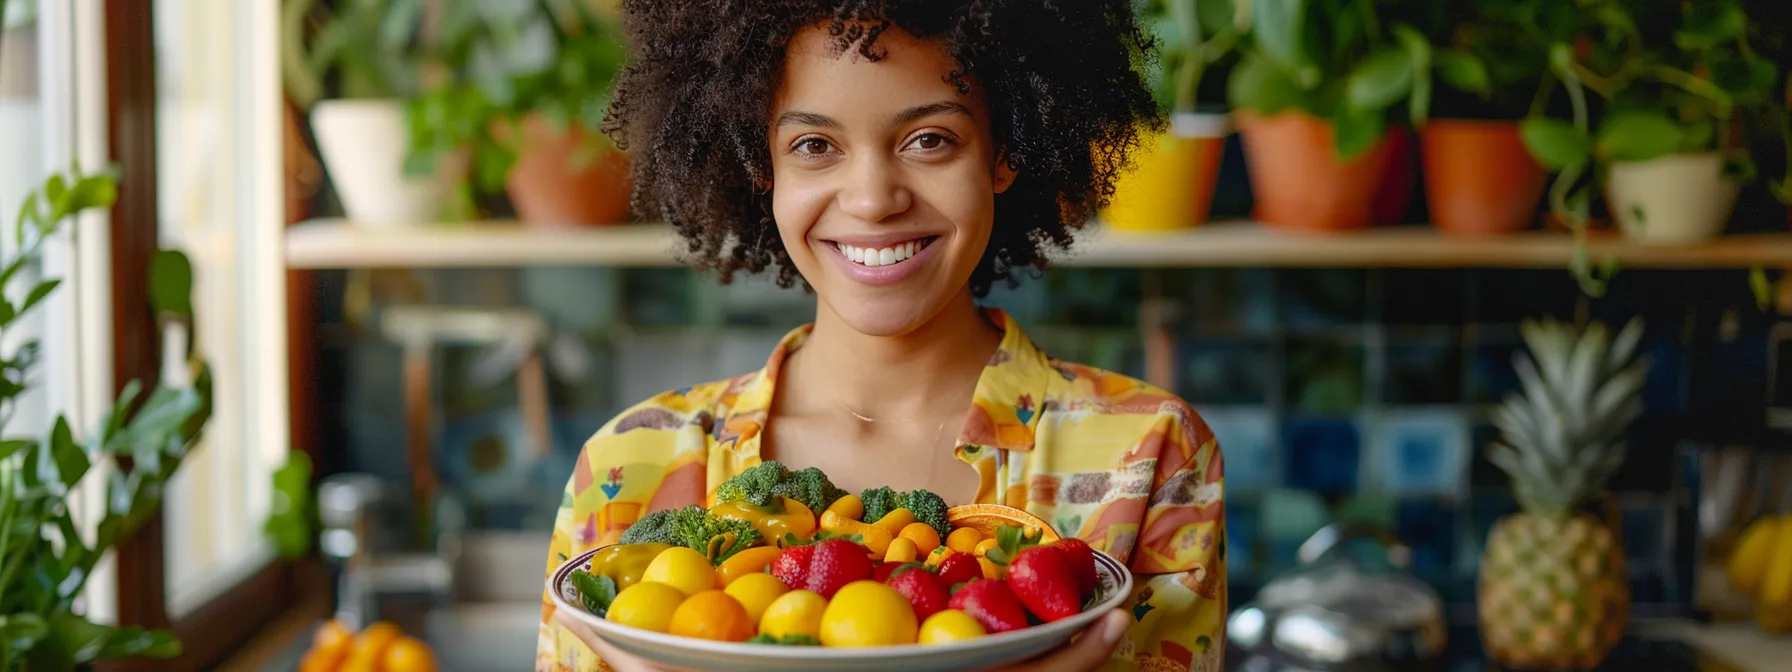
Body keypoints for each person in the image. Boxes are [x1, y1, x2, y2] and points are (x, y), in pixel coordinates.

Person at [538, 1, 1226, 670]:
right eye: (815, 145)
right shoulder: (630, 467)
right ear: (762, 166)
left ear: (1004, 151)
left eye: (929, 139)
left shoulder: (1149, 461)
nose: (872, 198)